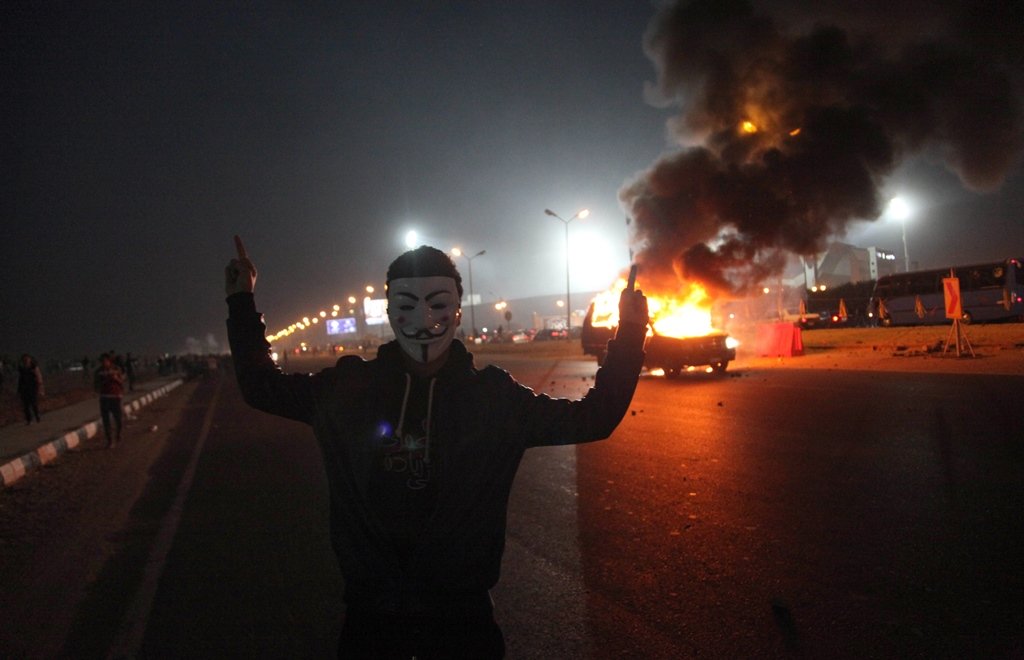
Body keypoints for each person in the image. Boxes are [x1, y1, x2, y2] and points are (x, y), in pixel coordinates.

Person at [224, 235, 649, 659]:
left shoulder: (493, 397)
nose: (424, 320)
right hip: (371, 619)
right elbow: (263, 387)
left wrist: (630, 333)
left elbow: (595, 418)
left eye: (438, 305)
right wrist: (241, 301)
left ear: (458, 311)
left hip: (462, 622)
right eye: (407, 306)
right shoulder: (348, 389)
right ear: (390, 312)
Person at [94, 353, 126, 447]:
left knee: (118, 420)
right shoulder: (99, 372)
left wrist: (116, 379)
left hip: (115, 398)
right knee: (106, 421)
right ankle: (110, 441)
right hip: (104, 398)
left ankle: (118, 434)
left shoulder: (116, 369)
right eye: (102, 361)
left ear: (109, 361)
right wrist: (104, 381)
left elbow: (122, 382)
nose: (104, 363)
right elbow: (96, 386)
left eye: (106, 361)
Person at [17, 354, 44, 424]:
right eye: (24, 359)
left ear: (30, 360)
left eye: (27, 359)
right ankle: (29, 419)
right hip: (24, 389)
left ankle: (37, 416)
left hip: (32, 387)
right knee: (26, 405)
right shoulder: (22, 369)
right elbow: (20, 379)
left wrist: (40, 387)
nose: (26, 360)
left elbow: (39, 377)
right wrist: (19, 389)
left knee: (34, 403)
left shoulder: (34, 367)